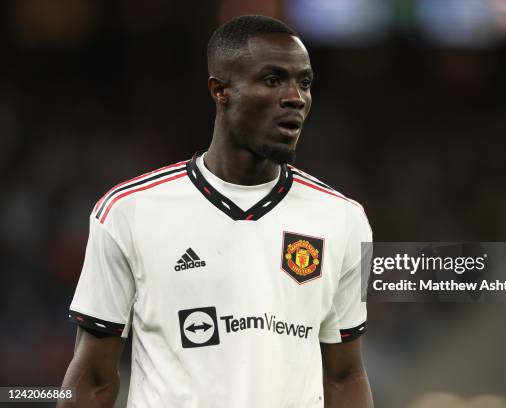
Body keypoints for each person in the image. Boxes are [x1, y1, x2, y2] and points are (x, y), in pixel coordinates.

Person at [60, 15, 373, 408]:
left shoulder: (343, 219)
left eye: (305, 82)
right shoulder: (128, 212)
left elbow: (345, 377)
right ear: (220, 90)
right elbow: (93, 379)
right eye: (273, 79)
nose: (296, 96)